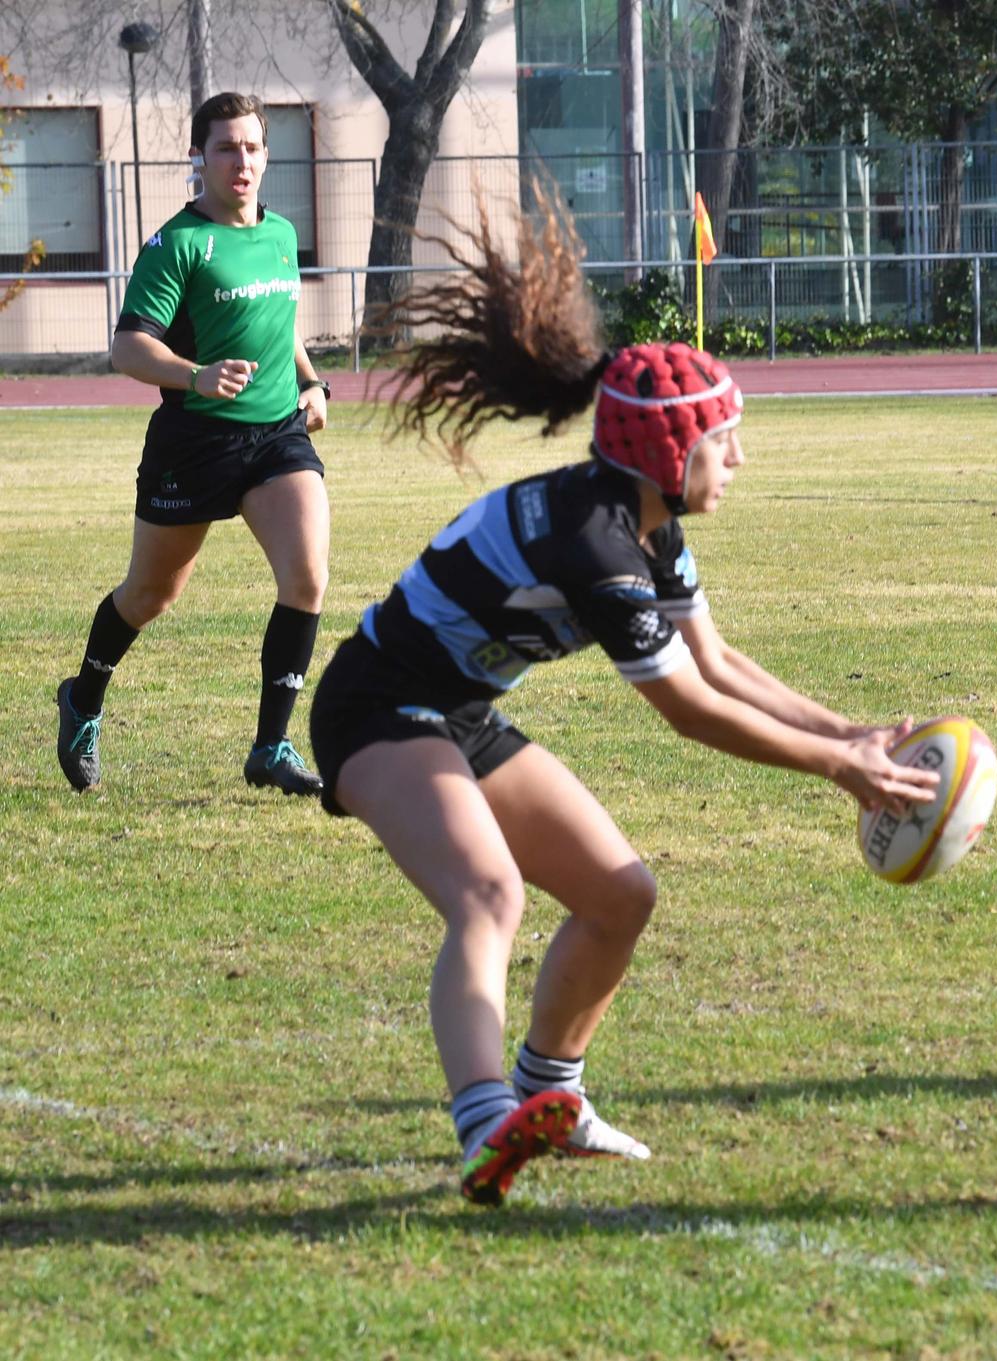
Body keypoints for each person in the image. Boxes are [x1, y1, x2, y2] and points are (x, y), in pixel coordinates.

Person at [307, 200, 939, 1206]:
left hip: (458, 709)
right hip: (376, 708)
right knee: (488, 894)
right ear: (669, 448)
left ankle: (548, 1095)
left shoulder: (646, 523)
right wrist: (834, 769)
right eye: (722, 441)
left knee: (619, 894)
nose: (737, 459)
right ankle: (483, 1123)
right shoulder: (595, 541)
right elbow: (688, 708)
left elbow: (720, 663)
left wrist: (846, 732)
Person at [57, 91, 331, 797]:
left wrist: (312, 382)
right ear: (198, 157)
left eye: (252, 147)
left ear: (267, 155)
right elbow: (127, 347)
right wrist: (197, 376)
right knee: (151, 594)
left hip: (276, 438)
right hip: (194, 442)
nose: (241, 161)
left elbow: (279, 321)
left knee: (306, 577)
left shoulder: (279, 233)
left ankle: (271, 746)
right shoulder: (178, 243)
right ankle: (83, 697)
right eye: (225, 148)